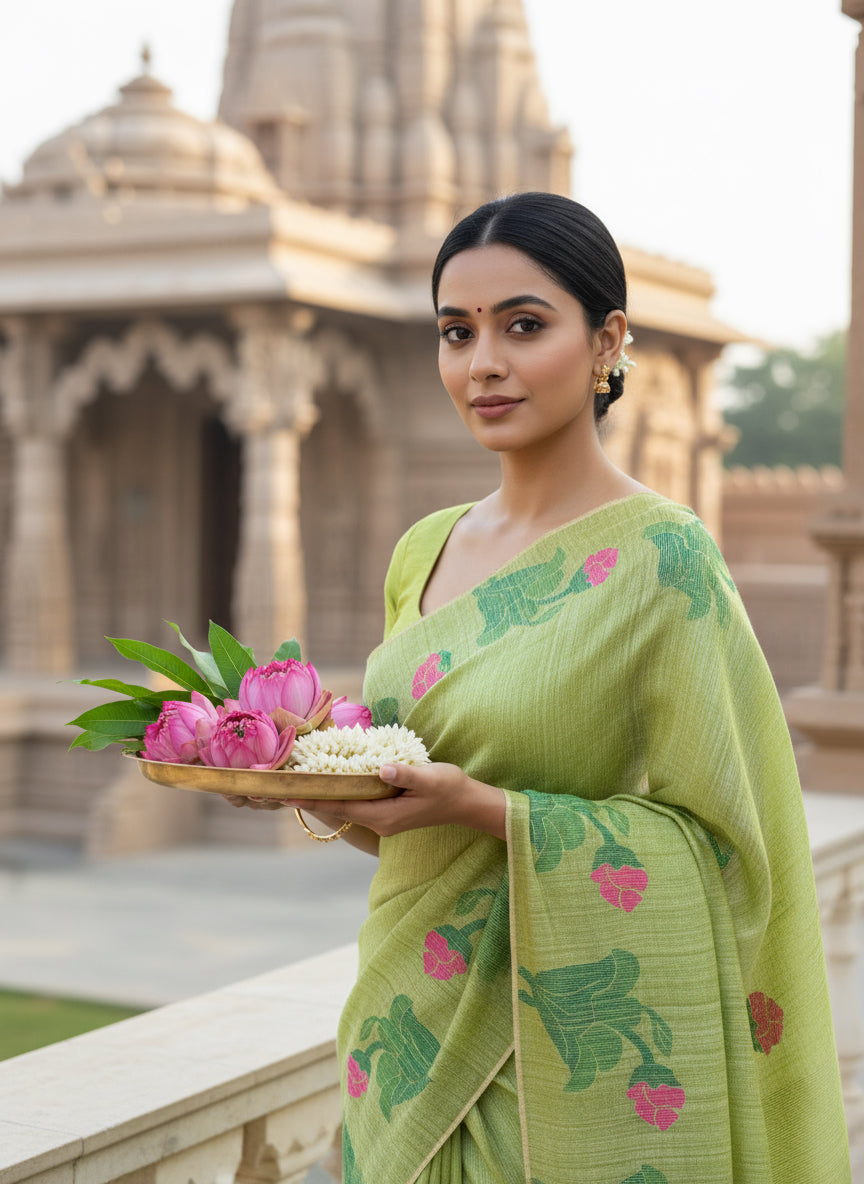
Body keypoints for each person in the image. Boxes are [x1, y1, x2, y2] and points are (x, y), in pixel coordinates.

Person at [233, 192, 850, 1183]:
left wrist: (481, 805)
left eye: (523, 325)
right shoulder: (423, 551)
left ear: (606, 341)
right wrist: (310, 784)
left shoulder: (665, 560)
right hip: (401, 1036)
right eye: (455, 331)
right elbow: (411, 822)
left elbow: (733, 848)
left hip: (557, 1077)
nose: (483, 362)